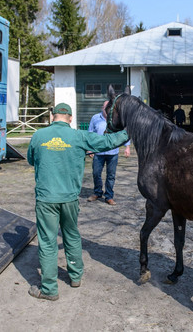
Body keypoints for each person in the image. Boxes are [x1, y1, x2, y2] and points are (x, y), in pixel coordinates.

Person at [27, 103, 129, 301]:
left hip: (46, 198)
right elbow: (108, 142)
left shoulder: (38, 136)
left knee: (47, 242)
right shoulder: (79, 137)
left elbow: (32, 160)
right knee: (71, 235)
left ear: (52, 116)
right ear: (71, 118)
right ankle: (75, 277)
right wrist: (128, 132)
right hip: (70, 198)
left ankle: (49, 289)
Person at [87, 101, 131, 205]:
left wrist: (127, 147)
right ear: (102, 108)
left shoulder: (117, 118)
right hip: (98, 152)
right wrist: (89, 148)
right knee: (96, 173)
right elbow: (90, 133)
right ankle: (97, 192)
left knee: (111, 175)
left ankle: (109, 196)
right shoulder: (95, 118)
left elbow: (123, 133)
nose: (107, 110)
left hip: (113, 152)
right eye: (105, 107)